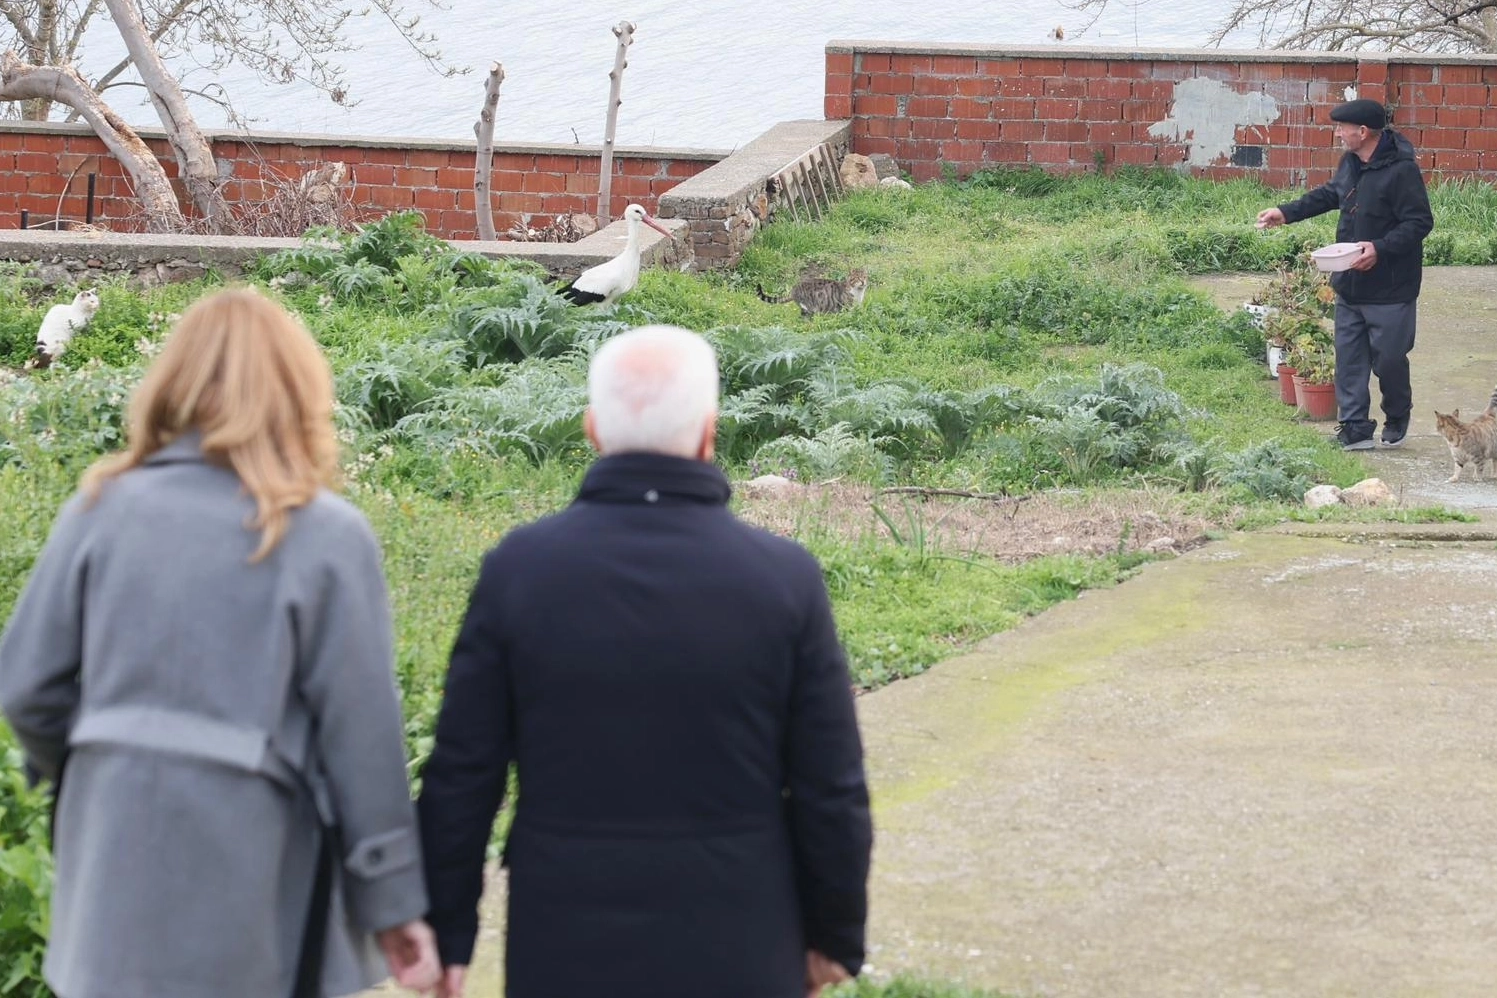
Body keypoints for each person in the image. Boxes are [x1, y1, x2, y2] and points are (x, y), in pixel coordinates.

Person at [0, 288, 440, 998]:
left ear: (169, 382)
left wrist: (101, 765)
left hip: (111, 864)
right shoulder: (323, 535)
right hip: (256, 867)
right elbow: (362, 737)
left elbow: (26, 687)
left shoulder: (97, 509)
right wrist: (393, 903)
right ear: (296, 391)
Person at [416, 325, 873, 998]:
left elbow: (463, 772)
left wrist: (446, 932)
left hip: (563, 943)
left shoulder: (520, 570)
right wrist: (835, 934)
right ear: (709, 433)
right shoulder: (783, 579)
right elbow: (829, 783)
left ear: (592, 430)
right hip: (742, 940)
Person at [1256, 97, 1434, 451]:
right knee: (1350, 360)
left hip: (1391, 287)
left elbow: (1419, 222)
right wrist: (1286, 213)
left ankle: (1397, 413)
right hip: (1350, 280)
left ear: (1362, 131)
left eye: (1341, 128)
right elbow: (1331, 194)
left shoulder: (1402, 170)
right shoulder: (1350, 162)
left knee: (1389, 359)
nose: (1337, 134)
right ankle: (1355, 427)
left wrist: (1379, 248)